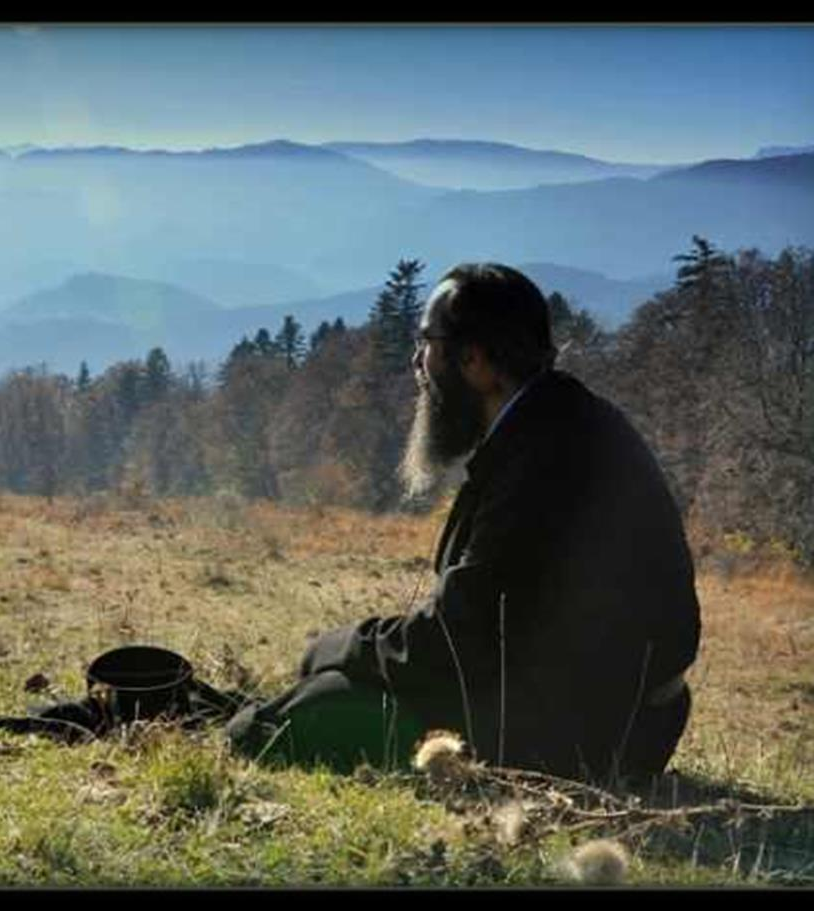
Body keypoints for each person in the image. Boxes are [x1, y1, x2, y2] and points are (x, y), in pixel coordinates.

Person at [226, 263, 701, 783]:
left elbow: (454, 644)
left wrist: (343, 646)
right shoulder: (560, 422)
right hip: (615, 714)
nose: (417, 362)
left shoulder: (543, 461)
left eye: (427, 342)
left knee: (288, 724)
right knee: (327, 690)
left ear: (474, 361)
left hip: (580, 733)